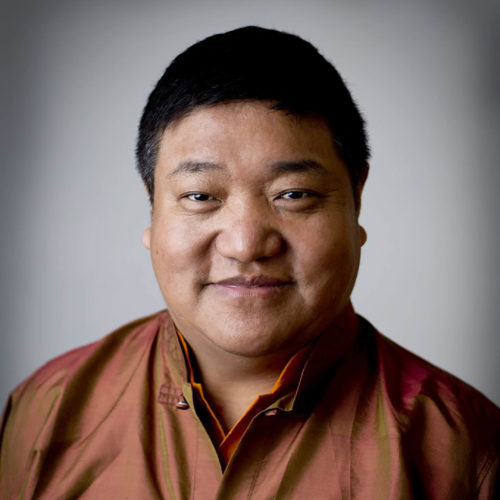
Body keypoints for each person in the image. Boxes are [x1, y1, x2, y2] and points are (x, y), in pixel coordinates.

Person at [0, 26, 498, 499]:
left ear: (356, 202)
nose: (245, 244)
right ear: (152, 211)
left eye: (293, 194)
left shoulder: (463, 446)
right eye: (199, 195)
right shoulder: (47, 409)